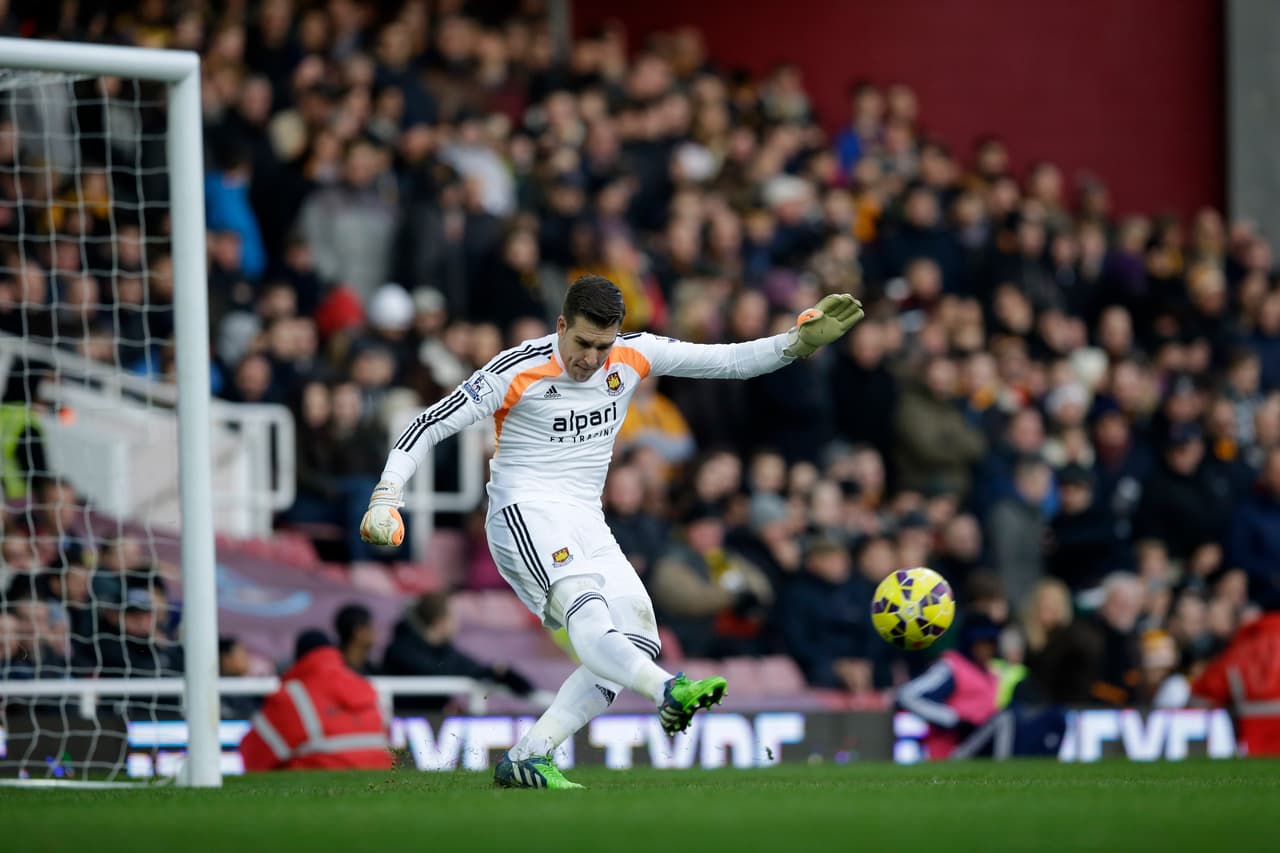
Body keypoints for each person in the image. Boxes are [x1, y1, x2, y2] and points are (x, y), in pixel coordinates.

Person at [359, 275, 864, 788]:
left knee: (638, 639)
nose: (591, 358)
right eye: (581, 343)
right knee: (589, 611)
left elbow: (729, 361)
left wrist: (795, 343)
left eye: (603, 345)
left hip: (585, 518)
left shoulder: (633, 355)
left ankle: (529, 756)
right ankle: (670, 689)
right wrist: (387, 495)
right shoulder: (517, 368)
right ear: (561, 326)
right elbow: (429, 422)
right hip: (523, 511)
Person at [239, 629, 392, 772]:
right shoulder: (365, 687)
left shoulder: (293, 696)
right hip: (379, 775)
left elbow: (253, 754)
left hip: (322, 777)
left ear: (298, 659)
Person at [381, 590, 535, 711]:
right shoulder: (399, 650)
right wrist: (488, 672)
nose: (457, 624)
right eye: (453, 617)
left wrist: (500, 672)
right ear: (438, 623)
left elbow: (473, 669)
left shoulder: (443, 650)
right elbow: (438, 672)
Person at [334, 602, 379, 676]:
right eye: (370, 627)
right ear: (357, 632)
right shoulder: (336, 669)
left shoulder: (371, 669)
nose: (375, 632)